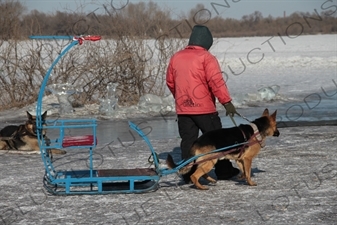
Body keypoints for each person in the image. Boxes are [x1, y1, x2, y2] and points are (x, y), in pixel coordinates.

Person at [166, 25, 240, 183]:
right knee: (218, 140)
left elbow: (170, 82)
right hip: (205, 109)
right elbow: (216, 82)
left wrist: (180, 97)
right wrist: (226, 102)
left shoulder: (176, 57)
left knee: (188, 142)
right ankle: (224, 171)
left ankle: (188, 173)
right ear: (206, 42)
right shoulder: (206, 57)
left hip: (184, 109)